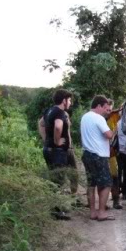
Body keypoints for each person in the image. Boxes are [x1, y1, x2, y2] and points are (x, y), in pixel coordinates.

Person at [41, 89, 77, 220]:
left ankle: (57, 207)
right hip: (57, 151)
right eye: (69, 100)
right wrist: (57, 141)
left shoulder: (49, 110)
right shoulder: (60, 112)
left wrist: (46, 139)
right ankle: (56, 211)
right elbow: (58, 127)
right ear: (64, 101)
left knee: (54, 179)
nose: (70, 102)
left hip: (48, 149)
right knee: (58, 181)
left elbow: (41, 124)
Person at [80, 95, 115, 221]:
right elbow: (109, 135)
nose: (106, 110)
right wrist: (115, 130)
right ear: (99, 106)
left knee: (92, 183)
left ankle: (93, 212)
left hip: (87, 154)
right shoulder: (98, 118)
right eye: (105, 108)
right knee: (106, 184)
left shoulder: (85, 117)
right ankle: (102, 212)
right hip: (99, 156)